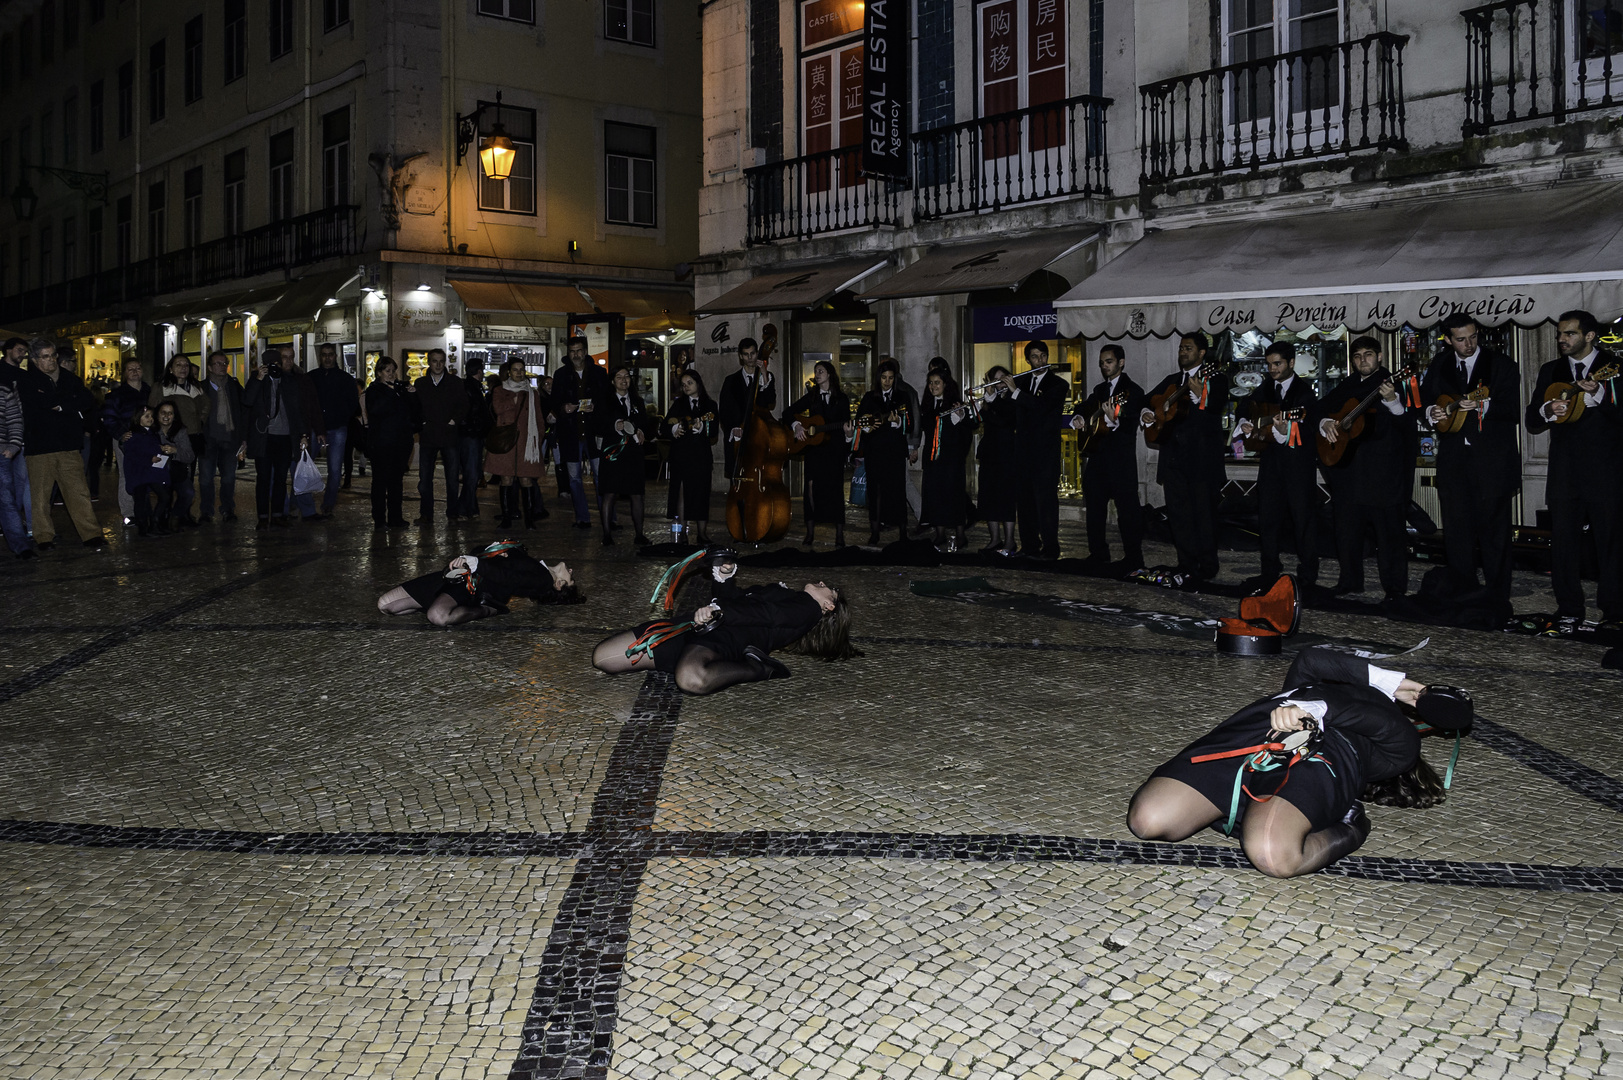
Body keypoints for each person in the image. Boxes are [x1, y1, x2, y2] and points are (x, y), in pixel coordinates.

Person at [1127, 647, 1466, 878]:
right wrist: (1395, 683)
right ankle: (1234, 808)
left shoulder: (1397, 741)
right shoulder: (1305, 688)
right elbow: (1311, 658)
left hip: (1324, 758)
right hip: (1252, 731)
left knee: (1274, 857)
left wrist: (1316, 710)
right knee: (1148, 821)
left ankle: (1350, 826)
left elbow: (1371, 719)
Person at [592, 577, 856, 694]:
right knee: (603, 657)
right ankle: (678, 656)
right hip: (696, 627)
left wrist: (721, 610)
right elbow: (738, 601)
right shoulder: (793, 599)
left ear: (828, 606)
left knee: (690, 678)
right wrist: (724, 577)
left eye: (829, 590)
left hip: (728, 637)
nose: (823, 584)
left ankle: (759, 668)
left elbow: (768, 615)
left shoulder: (807, 609)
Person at [1526, 309, 1622, 631]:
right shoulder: (1550, 370)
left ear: (1590, 335)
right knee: (1564, 542)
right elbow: (1531, 420)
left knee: (1610, 542)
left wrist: (1600, 395)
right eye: (1560, 334)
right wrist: (1547, 409)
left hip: (1606, 471)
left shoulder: (1615, 367)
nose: (1562, 340)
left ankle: (1614, 611)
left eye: (1569, 334)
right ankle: (1568, 607)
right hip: (1565, 472)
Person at [1420, 312, 1521, 616]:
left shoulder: (1501, 364)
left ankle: (1497, 596)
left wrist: (1482, 404)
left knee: (1494, 534)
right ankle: (1464, 592)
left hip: (1492, 461)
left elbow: (1513, 408)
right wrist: (1431, 414)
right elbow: (1427, 399)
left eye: (1473, 336)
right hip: (1454, 461)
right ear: (1448, 340)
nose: (1469, 344)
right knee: (1457, 530)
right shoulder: (1440, 364)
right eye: (1461, 339)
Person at [1318, 336, 1413, 601]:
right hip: (1348, 472)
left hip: (1383, 473)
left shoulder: (1395, 383)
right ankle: (1350, 581)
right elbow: (1320, 409)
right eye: (1357, 356)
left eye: (1368, 355)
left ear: (1380, 357)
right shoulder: (1347, 385)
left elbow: (1407, 425)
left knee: (1390, 534)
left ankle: (1394, 589)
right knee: (1346, 530)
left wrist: (1393, 401)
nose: (1363, 361)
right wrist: (1326, 422)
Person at [1141, 332, 1229, 581]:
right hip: (1173, 460)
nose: (1182, 352)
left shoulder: (1215, 378)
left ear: (1202, 354)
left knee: (1204, 516)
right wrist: (1148, 413)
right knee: (1179, 516)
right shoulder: (1171, 380)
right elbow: (1147, 401)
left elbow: (1216, 405)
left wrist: (1202, 393)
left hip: (1202, 462)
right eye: (1180, 348)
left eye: (1188, 348)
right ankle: (1186, 563)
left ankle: (1207, 566)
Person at [1237, 341, 1321, 588]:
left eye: (1278, 364)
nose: (1272, 369)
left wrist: (1287, 430)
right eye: (1269, 364)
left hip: (1298, 467)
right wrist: (1245, 421)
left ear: (1291, 363)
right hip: (1271, 466)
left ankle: (1308, 575)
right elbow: (1246, 405)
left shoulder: (1305, 392)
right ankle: (1269, 570)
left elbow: (1308, 429)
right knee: (1268, 518)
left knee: (1302, 520)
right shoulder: (1265, 387)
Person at [19, 338, 105, 550]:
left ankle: (90, 534)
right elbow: (38, 405)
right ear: (35, 359)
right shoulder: (28, 380)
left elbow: (86, 401)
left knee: (78, 492)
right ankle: (43, 537)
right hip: (39, 447)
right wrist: (64, 404)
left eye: (53, 356)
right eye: (45, 357)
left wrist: (61, 405)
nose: (51, 361)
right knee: (40, 496)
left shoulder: (69, 378)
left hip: (68, 445)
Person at [377, 540, 583, 626]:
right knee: (385, 605)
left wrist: (477, 564)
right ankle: (433, 600)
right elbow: (484, 552)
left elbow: (509, 578)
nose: (571, 570)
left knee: (437, 616)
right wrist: (475, 557)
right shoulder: (537, 565)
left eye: (570, 578)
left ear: (559, 585)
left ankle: (487, 610)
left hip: (477, 588)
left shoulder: (543, 579)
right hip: (460, 577)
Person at [1072, 344, 1147, 569]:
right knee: (1094, 509)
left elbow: (1131, 419)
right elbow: (1085, 406)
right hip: (1097, 459)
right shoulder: (1099, 390)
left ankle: (1133, 558)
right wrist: (1078, 417)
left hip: (1121, 461)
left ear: (1121, 363)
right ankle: (1098, 554)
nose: (1105, 366)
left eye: (1109, 362)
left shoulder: (1133, 391)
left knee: (1127, 512)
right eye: (1102, 362)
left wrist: (1114, 418)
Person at [1002, 341, 1068, 560]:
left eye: (1042, 356)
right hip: (1023, 453)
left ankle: (1051, 549)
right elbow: (1008, 413)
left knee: (1046, 503)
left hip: (1045, 454)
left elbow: (1040, 408)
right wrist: (995, 396)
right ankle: (1029, 545)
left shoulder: (1057, 384)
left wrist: (1015, 392)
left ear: (1047, 358)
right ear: (1027, 360)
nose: (1039, 361)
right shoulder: (1021, 382)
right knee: (1025, 502)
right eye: (1034, 357)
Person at [242, 346, 311, 530]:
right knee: (263, 479)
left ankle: (279, 515)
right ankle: (263, 517)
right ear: (264, 365)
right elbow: (247, 401)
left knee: (281, 478)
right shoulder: (257, 380)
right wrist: (258, 378)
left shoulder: (289, 382)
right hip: (264, 438)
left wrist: (303, 434)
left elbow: (298, 411)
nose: (276, 367)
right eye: (271, 364)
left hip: (285, 438)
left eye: (278, 364)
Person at [782, 359, 850, 548]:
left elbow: (847, 425)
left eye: (820, 371)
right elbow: (787, 412)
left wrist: (849, 433)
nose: (817, 374)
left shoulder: (842, 399)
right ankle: (810, 532)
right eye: (815, 371)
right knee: (810, 488)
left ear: (829, 374)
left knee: (835, 491)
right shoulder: (811, 396)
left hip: (834, 451)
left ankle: (839, 534)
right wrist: (797, 427)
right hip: (814, 452)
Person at [551, 336, 612, 529]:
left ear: (585, 352)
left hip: (594, 433)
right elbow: (553, 402)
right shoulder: (561, 375)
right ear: (568, 354)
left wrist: (596, 406)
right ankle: (582, 517)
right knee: (574, 478)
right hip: (570, 433)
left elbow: (607, 399)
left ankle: (608, 516)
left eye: (578, 351)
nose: (576, 355)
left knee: (600, 477)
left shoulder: (599, 373)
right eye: (572, 351)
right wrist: (563, 408)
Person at [593, 365, 656, 546]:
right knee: (609, 493)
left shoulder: (637, 401)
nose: (623, 380)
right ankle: (606, 533)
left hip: (633, 453)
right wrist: (615, 425)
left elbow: (645, 422)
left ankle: (639, 534)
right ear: (613, 381)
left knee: (637, 493)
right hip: (612, 452)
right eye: (619, 377)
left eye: (626, 376)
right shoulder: (605, 400)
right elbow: (597, 424)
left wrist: (642, 430)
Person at [854, 358, 914, 545]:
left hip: (895, 451)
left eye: (890, 378)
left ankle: (903, 531)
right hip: (875, 451)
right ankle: (875, 531)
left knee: (897, 489)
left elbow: (910, 423)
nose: (887, 381)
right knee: (875, 491)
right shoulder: (869, 397)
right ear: (878, 378)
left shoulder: (902, 396)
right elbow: (859, 422)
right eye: (884, 377)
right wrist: (867, 427)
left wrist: (898, 422)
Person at [487, 358, 549, 529]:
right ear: (509, 372)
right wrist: (513, 401)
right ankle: (506, 517)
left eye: (521, 369)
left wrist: (540, 436)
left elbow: (538, 416)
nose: (519, 373)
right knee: (506, 478)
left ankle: (529, 520)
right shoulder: (500, 390)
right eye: (515, 370)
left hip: (527, 442)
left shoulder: (532, 392)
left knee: (526, 479)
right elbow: (498, 409)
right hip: (506, 440)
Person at [918, 370, 976, 551]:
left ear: (945, 385)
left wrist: (960, 419)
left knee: (954, 496)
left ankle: (960, 535)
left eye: (937, 383)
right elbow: (924, 429)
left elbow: (970, 428)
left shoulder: (956, 405)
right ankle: (940, 533)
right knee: (935, 496)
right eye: (931, 383)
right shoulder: (927, 405)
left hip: (952, 459)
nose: (933, 386)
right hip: (933, 459)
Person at [148, 355, 207, 526]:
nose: (183, 368)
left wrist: (200, 419)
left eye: (186, 365)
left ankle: (183, 514)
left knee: (187, 476)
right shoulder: (162, 387)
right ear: (171, 368)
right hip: (171, 438)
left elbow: (206, 404)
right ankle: (165, 514)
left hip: (193, 436)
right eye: (178, 365)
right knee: (168, 477)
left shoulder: (195, 386)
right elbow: (153, 411)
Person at [411, 348, 468, 524]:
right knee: (425, 479)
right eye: (434, 361)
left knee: (452, 478)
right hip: (428, 437)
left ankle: (452, 512)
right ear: (429, 362)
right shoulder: (420, 383)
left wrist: (454, 421)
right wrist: (422, 423)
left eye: (441, 361)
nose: (438, 365)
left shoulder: (455, 383)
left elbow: (464, 404)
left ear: (445, 362)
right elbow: (415, 407)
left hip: (449, 436)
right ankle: (426, 514)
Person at [307, 342, 362, 518]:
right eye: (324, 354)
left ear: (335, 356)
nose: (328, 358)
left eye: (330, 354)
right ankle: (301, 500)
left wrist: (341, 418)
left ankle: (329, 503)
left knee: (335, 469)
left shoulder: (345, 379)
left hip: (337, 427)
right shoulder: (312, 377)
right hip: (316, 428)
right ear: (320, 356)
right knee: (306, 466)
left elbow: (353, 403)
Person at [667, 369, 720, 545]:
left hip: (701, 456)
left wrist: (702, 428)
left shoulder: (710, 405)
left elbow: (713, 431)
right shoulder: (679, 404)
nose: (686, 387)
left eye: (690, 383)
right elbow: (665, 425)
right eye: (683, 385)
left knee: (702, 493)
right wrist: (674, 429)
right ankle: (682, 531)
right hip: (681, 455)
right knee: (682, 492)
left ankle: (702, 533)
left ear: (698, 383)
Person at [363, 357, 414, 528]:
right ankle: (379, 519)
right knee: (380, 482)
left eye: (393, 370)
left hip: (400, 442)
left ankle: (395, 517)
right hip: (381, 443)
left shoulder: (401, 389)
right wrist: (394, 392)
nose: (391, 374)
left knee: (396, 482)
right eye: (387, 371)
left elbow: (412, 411)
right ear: (379, 373)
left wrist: (410, 394)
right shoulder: (374, 391)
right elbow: (377, 410)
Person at [197, 351, 247, 524]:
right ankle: (206, 511)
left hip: (229, 439)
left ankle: (228, 509)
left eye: (224, 363)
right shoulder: (201, 388)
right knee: (205, 478)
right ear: (210, 367)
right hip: (208, 439)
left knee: (228, 478)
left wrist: (242, 437)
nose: (222, 366)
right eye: (218, 363)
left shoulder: (233, 386)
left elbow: (242, 409)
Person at [975, 368, 1019, 555]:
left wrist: (991, 403)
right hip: (989, 454)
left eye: (1003, 379)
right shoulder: (987, 401)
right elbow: (978, 422)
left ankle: (1010, 541)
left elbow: (1006, 421)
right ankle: (994, 539)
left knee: (1006, 497)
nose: (999, 383)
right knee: (989, 497)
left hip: (1007, 454)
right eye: (995, 380)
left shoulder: (1013, 399)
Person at [718, 337, 777, 478]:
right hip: (738, 439)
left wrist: (764, 373)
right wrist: (733, 428)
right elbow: (724, 411)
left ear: (757, 353)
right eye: (746, 354)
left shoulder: (766, 377)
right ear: (740, 356)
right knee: (737, 476)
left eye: (752, 353)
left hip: (759, 437)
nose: (750, 358)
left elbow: (770, 400)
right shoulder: (730, 381)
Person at [103, 358, 150, 527]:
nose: (135, 371)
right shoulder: (117, 394)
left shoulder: (149, 391)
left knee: (147, 473)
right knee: (126, 474)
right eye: (131, 369)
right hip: (126, 438)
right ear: (125, 373)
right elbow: (109, 419)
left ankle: (144, 509)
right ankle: (128, 513)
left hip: (146, 439)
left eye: (138, 368)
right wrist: (121, 434)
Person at [122, 405, 174, 537]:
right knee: (141, 500)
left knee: (164, 496)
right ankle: (144, 528)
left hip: (151, 473)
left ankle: (154, 522)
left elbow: (151, 449)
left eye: (151, 416)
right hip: (139, 473)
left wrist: (161, 451)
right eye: (147, 416)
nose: (150, 419)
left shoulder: (152, 434)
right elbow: (132, 455)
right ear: (138, 419)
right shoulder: (133, 435)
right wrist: (149, 458)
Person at [455, 355, 493, 521]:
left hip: (469, 434)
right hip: (471, 435)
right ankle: (465, 507)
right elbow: (474, 413)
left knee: (472, 473)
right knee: (472, 473)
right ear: (479, 371)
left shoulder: (468, 386)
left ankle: (468, 506)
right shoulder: (473, 388)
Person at [0, 368, 32, 557]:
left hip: (1, 452)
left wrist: (13, 446)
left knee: (6, 501)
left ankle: (21, 546)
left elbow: (15, 420)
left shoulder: (4, 390)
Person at [153, 401, 197, 528]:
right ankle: (158, 519)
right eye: (163, 412)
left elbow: (190, 456)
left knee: (188, 493)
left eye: (170, 413)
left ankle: (176, 516)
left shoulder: (180, 431)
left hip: (177, 470)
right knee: (163, 494)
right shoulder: (151, 430)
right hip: (157, 471)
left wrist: (175, 450)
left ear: (174, 415)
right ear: (157, 415)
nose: (166, 416)